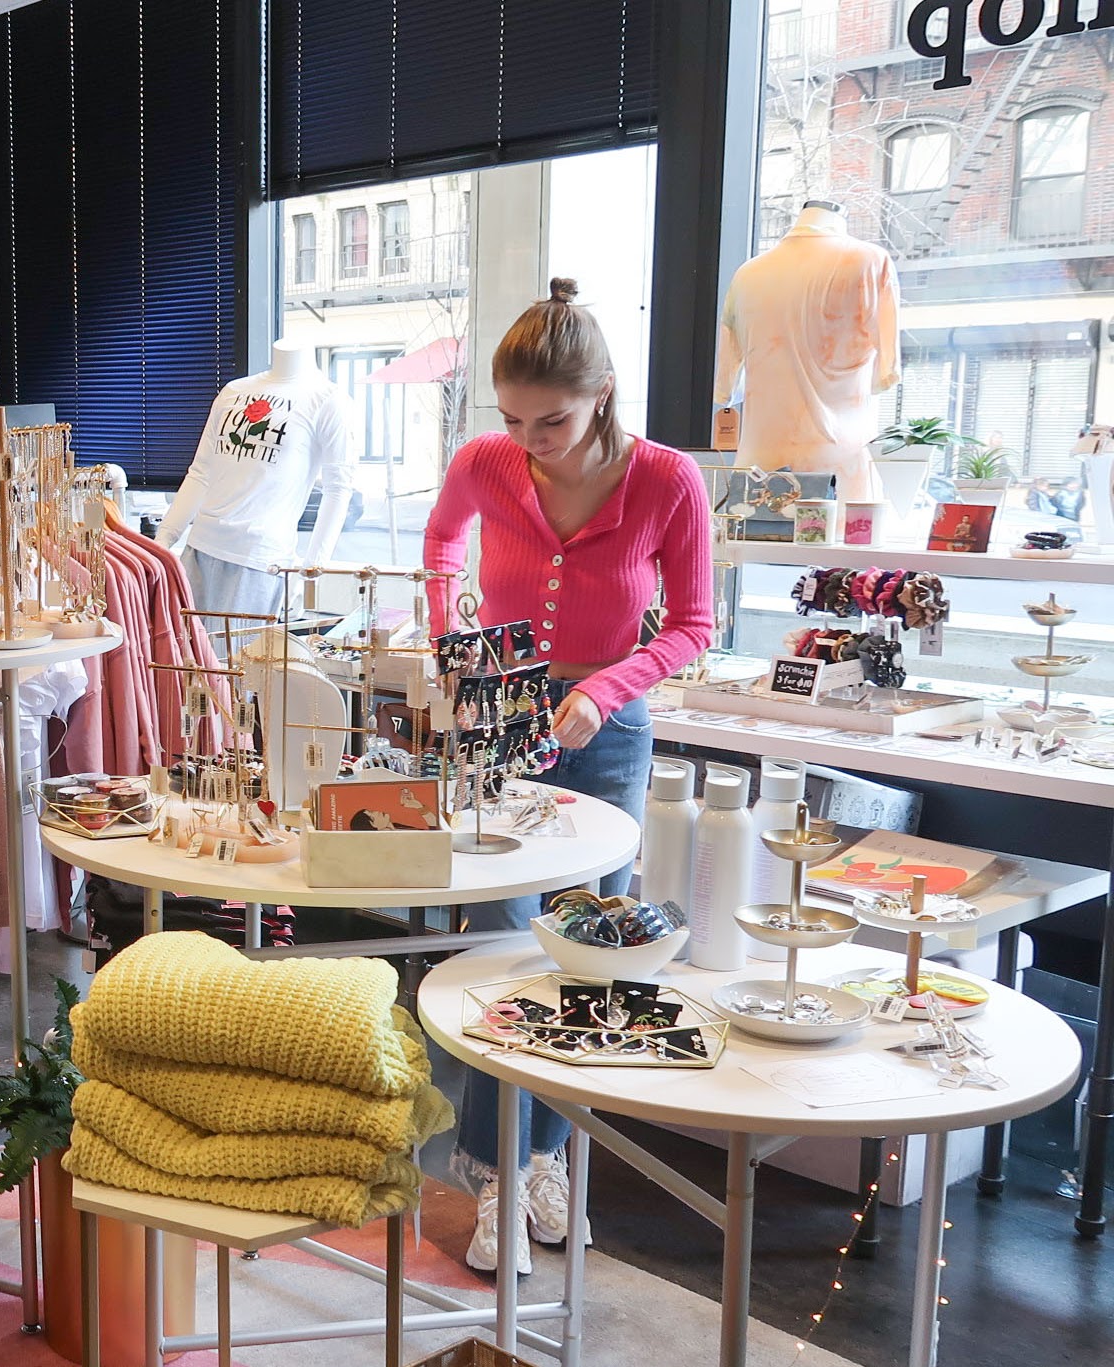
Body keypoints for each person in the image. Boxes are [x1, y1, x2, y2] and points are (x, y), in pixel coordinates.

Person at [421, 278, 713, 1275]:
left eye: (548, 419)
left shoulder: (666, 479)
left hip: (610, 725)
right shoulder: (484, 462)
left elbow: (692, 627)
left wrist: (607, 687)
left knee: (588, 950)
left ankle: (547, 1160)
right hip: (498, 716)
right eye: (509, 418)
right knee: (500, 939)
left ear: (600, 394)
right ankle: (497, 1174)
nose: (526, 438)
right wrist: (448, 639)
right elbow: (436, 545)